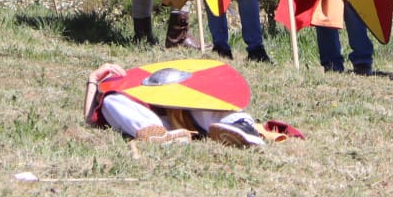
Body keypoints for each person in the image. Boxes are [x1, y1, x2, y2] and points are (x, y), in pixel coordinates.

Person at [83, 61, 269, 147]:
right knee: (110, 100)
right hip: (159, 125)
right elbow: (89, 120)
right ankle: (158, 136)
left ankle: (241, 127)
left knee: (198, 103)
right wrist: (92, 80)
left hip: (183, 114)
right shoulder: (115, 99)